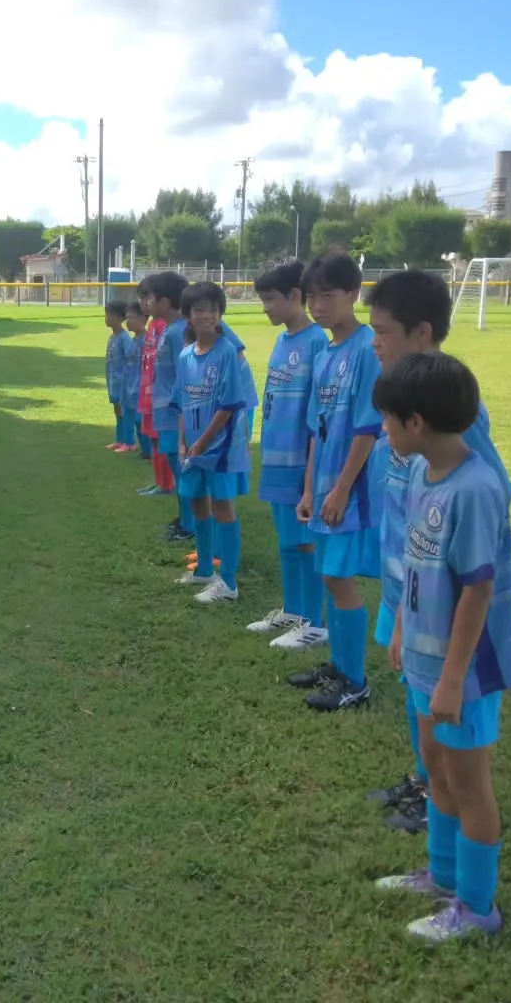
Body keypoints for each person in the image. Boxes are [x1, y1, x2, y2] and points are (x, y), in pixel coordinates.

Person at [373, 352, 511, 943]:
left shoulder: (476, 489)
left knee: (468, 783)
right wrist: (407, 631)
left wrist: (454, 679)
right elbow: (419, 563)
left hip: (464, 672)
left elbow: (476, 590)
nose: (383, 429)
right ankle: (442, 875)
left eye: (387, 419)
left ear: (415, 423)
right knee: (434, 768)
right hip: (426, 659)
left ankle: (477, 907)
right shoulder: (419, 472)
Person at [365, 270, 511, 835]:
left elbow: (491, 502)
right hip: (409, 587)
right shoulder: (405, 404)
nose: (374, 341)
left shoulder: (458, 420)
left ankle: (440, 795)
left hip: (441, 597)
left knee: (442, 715)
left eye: (382, 331)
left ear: (421, 332)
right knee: (416, 700)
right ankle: (428, 784)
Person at [289, 253, 382, 711]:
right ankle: (339, 665)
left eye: (329, 295)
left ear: (353, 294)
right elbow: (316, 429)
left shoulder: (368, 349)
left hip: (352, 488)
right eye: (313, 296)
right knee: (330, 576)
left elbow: (368, 429)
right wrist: (309, 489)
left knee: (339, 577)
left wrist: (342, 489)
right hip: (324, 486)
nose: (319, 305)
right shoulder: (326, 353)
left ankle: (355, 681)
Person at [249, 261, 329, 649]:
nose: (265, 307)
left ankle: (315, 623)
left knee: (306, 542)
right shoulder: (283, 340)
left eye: (269, 299)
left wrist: (312, 471)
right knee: (286, 541)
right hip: (276, 459)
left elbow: (318, 415)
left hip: (302, 463)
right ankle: (294, 610)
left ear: (294, 297)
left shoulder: (317, 342)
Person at [173, 282, 251, 604]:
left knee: (222, 506)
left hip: (218, 448)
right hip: (192, 448)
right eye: (199, 309)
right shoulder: (185, 355)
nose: (206, 315)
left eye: (213, 309)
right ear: (188, 316)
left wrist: (203, 442)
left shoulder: (227, 352)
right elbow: (182, 403)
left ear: (220, 314)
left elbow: (229, 405)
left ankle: (228, 581)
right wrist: (181, 442)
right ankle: (204, 568)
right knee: (196, 502)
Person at [148, 272, 193, 540]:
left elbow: (186, 376)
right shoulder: (169, 330)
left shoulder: (181, 333)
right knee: (177, 470)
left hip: (176, 414)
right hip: (165, 412)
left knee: (183, 470)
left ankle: (189, 525)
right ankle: (184, 518)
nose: (147, 304)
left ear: (164, 301)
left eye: (151, 298)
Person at [136, 278, 175, 497]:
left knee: (160, 438)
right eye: (142, 299)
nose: (144, 303)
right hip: (148, 392)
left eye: (147, 298)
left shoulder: (165, 327)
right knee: (153, 437)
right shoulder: (152, 325)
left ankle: (166, 484)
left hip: (159, 395)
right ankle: (159, 481)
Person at [103, 300, 134, 451]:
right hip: (113, 382)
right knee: (117, 410)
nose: (106, 318)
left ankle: (129, 442)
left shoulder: (124, 338)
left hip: (122, 382)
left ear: (119, 318)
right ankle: (120, 440)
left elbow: (131, 359)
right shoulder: (112, 337)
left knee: (124, 412)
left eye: (109, 315)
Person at [122, 300, 151, 459]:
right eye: (127, 317)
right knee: (134, 420)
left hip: (140, 387)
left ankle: (151, 451)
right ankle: (145, 450)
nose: (128, 321)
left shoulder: (147, 341)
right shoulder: (133, 340)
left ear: (143, 319)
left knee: (142, 421)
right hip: (130, 386)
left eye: (132, 317)